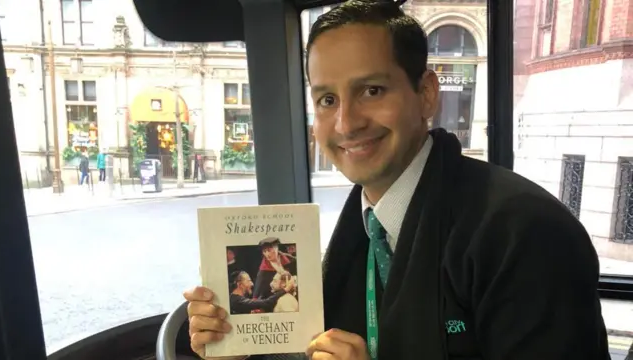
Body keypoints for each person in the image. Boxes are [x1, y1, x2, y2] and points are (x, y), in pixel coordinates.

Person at [183, 1, 611, 359]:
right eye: (327, 99)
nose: (347, 123)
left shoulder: (526, 232)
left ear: (426, 93)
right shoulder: (364, 229)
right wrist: (238, 348)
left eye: (372, 90)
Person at [228, 271, 293, 315]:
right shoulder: (236, 300)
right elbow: (267, 302)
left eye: (274, 281)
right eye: (249, 281)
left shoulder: (235, 299)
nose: (252, 284)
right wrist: (286, 289)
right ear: (240, 285)